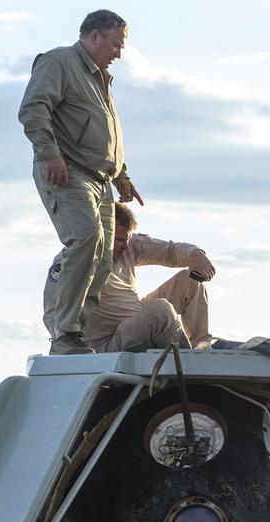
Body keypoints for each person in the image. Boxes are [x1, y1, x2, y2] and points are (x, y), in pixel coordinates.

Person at [20, 10, 143, 355]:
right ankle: (64, 335)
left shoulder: (101, 79)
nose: (119, 53)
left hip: (100, 178)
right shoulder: (60, 62)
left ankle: (76, 335)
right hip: (67, 169)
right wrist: (50, 155)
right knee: (86, 238)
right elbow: (33, 109)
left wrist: (122, 175)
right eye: (116, 44)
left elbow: (105, 134)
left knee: (103, 258)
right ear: (94, 36)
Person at [43, 203, 215, 352]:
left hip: (136, 320)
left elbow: (170, 251)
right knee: (160, 311)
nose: (125, 246)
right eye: (118, 240)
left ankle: (202, 348)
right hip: (106, 343)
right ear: (103, 233)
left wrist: (196, 254)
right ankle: (188, 362)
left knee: (190, 281)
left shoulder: (129, 244)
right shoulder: (73, 260)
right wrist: (64, 344)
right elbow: (52, 310)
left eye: (127, 239)